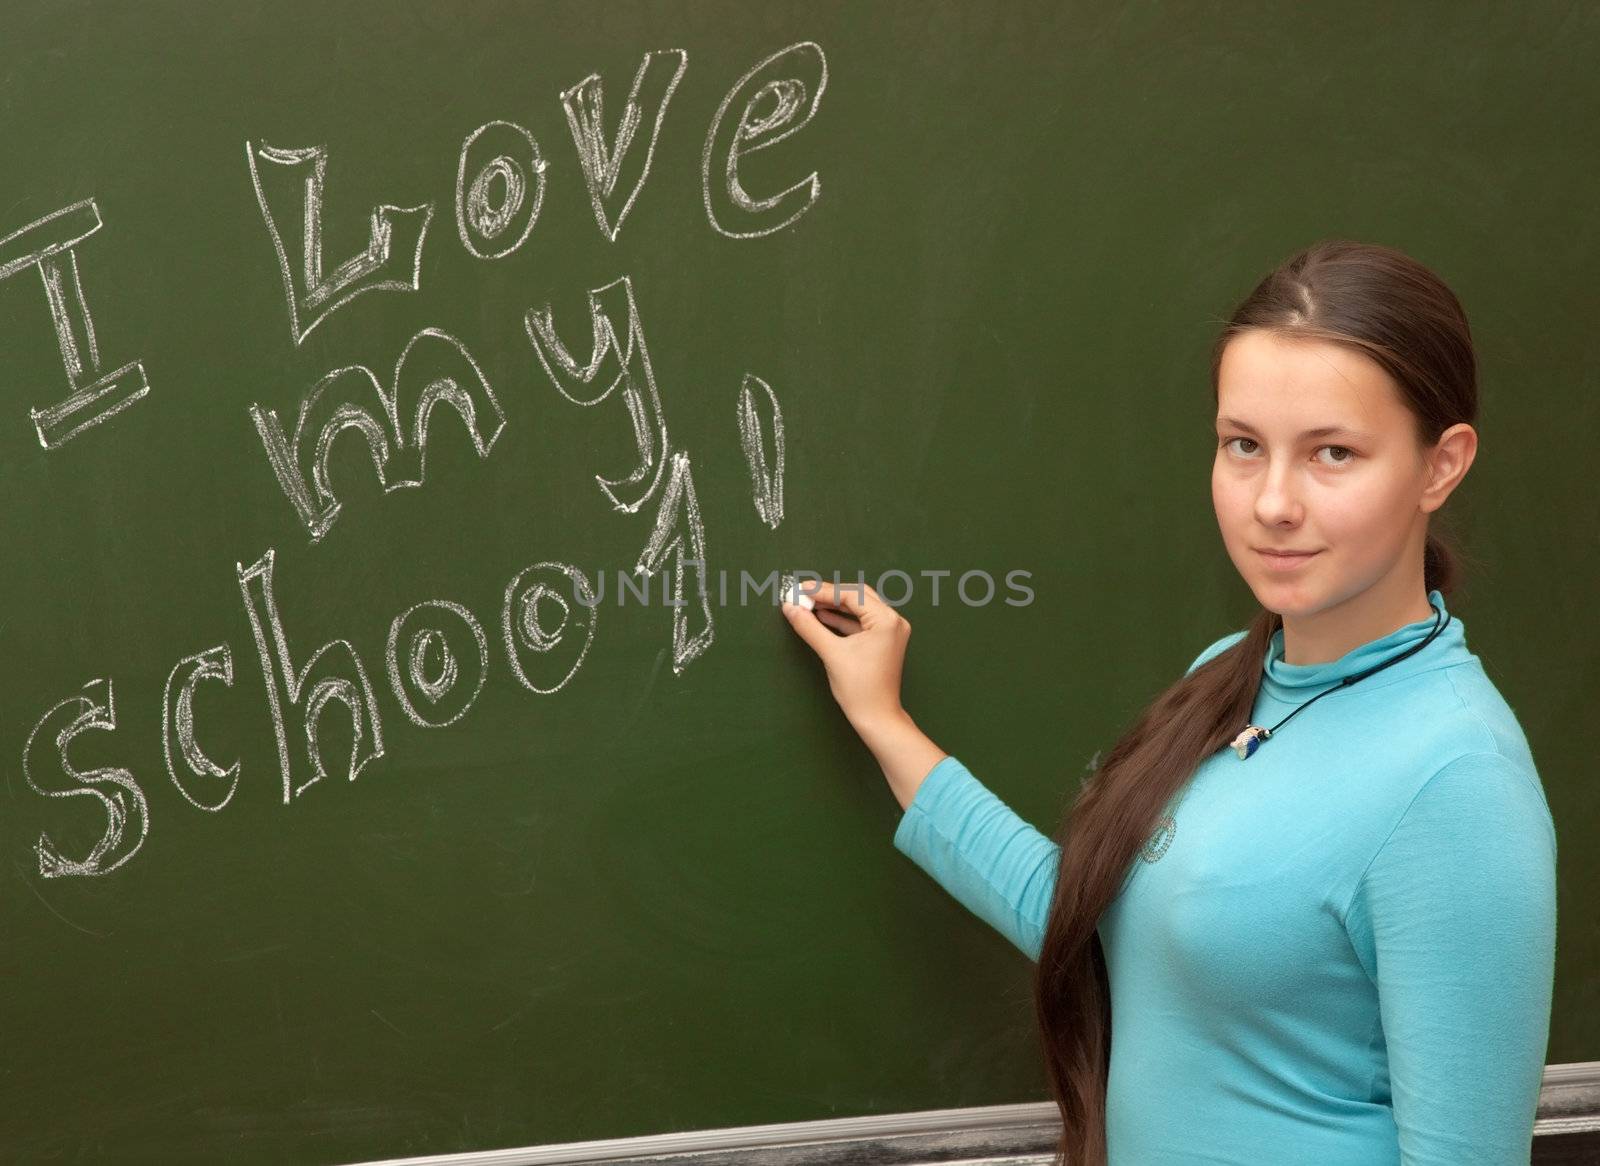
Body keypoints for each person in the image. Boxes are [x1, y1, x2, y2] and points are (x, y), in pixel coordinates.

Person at [780, 239, 1557, 1166]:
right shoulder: (1232, 672)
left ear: (1441, 464)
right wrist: (884, 721)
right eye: (1243, 446)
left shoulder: (1457, 782)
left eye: (1333, 454)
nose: (1272, 501)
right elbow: (1087, 920)